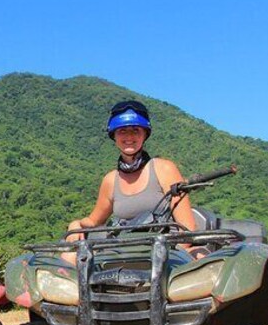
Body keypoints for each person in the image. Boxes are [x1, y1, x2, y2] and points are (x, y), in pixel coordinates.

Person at [66, 100, 209, 259]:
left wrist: (169, 256)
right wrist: (76, 224)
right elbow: (93, 221)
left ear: (144, 134)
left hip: (168, 251)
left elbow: (187, 228)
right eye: (122, 131)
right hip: (123, 253)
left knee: (202, 258)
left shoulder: (164, 169)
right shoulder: (111, 180)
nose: (129, 136)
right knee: (68, 258)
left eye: (135, 130)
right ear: (114, 135)